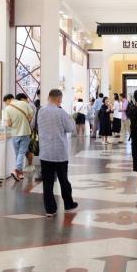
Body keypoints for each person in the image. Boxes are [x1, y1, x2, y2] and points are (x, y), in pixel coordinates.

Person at [33, 89, 78, 217]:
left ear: (49, 97)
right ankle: (68, 204)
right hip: (59, 154)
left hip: (45, 153)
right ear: (59, 99)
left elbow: (33, 125)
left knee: (47, 182)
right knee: (64, 180)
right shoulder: (61, 112)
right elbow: (70, 128)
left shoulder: (40, 111)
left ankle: (50, 210)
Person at [4, 92, 35, 181]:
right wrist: (26, 121)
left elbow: (9, 123)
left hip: (15, 134)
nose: (6, 104)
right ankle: (19, 172)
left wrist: (13, 123)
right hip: (25, 132)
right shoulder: (23, 103)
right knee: (21, 153)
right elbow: (31, 114)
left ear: (8, 100)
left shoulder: (7, 109)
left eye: (5, 102)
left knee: (18, 153)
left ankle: (17, 171)